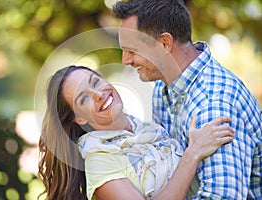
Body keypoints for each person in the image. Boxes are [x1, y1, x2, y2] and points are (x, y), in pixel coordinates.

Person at [112, 0, 262, 199]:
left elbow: (220, 196)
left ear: (164, 43)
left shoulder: (213, 106)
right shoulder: (162, 88)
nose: (125, 60)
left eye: (132, 50)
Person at [38, 65, 234, 200]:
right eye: (83, 99)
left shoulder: (148, 129)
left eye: (95, 82)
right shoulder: (100, 161)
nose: (98, 94)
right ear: (79, 119)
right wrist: (193, 153)